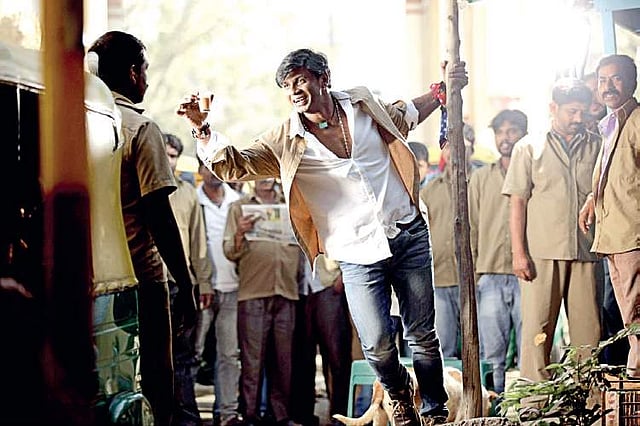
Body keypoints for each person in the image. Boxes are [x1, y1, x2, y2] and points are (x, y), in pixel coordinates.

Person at [177, 48, 468, 426]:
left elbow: (405, 115)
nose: (294, 91)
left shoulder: (363, 105)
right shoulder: (286, 140)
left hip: (407, 232)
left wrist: (442, 90)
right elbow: (236, 165)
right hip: (356, 252)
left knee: (422, 335)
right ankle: (398, 392)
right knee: (377, 344)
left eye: (300, 80)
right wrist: (202, 130)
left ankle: (434, 411)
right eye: (287, 86)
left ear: (323, 78)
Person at [88, 31, 197, 425]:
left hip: (91, 276)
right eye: (145, 70)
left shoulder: (72, 124)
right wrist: (185, 282)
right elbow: (158, 214)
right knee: (156, 380)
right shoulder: (140, 127)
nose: (147, 81)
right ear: (134, 73)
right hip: (141, 278)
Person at [502, 78, 601, 384]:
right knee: (538, 331)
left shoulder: (597, 145)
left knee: (589, 334)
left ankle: (586, 398)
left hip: (586, 252)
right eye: (572, 111)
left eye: (583, 112)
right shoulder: (528, 148)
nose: (578, 118)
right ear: (553, 108)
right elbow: (517, 203)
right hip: (541, 255)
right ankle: (534, 399)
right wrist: (519, 254)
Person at [578, 54, 640, 377]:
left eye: (616, 79)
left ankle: (635, 375)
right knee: (628, 315)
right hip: (614, 235)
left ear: (632, 82)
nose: (608, 86)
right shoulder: (612, 123)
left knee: (636, 313)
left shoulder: (637, 121)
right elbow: (620, 174)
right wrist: (593, 198)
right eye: (603, 80)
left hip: (632, 235)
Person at [223, 178, 302, 426]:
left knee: (283, 360)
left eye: (269, 173)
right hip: (253, 292)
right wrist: (240, 233)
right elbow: (229, 251)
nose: (265, 178)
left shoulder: (289, 205)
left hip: (286, 292)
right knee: (252, 361)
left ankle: (280, 415)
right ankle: (250, 415)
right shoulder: (239, 208)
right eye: (260, 174)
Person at [468, 109, 527, 393]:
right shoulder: (481, 178)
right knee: (492, 353)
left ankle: (529, 405)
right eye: (500, 132)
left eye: (512, 131)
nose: (506, 137)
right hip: (489, 275)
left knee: (530, 348)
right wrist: (475, 274)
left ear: (524, 134)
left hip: (528, 274)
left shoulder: (533, 172)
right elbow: (472, 227)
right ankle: (495, 404)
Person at [165, 133, 214, 426]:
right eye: (164, 154)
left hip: (181, 284)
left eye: (173, 156)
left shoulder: (187, 193)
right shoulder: (138, 187)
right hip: (149, 283)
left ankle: (187, 418)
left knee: (183, 356)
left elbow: (198, 242)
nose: (168, 160)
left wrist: (203, 283)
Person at [195, 157, 243, 426]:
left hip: (233, 288)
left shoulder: (238, 202)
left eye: (218, 166)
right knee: (193, 353)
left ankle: (227, 413)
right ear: (200, 170)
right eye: (208, 166)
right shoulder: (193, 200)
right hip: (202, 290)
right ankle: (186, 412)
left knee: (229, 355)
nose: (214, 172)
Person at [419, 140, 474, 360]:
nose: (454, 151)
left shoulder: (478, 184)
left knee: (477, 347)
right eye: (449, 146)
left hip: (473, 279)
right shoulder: (429, 191)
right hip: (439, 279)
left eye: (461, 144)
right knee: (445, 349)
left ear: (471, 150)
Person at [291, 254, 352, 426]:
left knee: (337, 356)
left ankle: (339, 415)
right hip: (299, 290)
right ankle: (304, 414)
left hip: (328, 286)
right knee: (302, 357)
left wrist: (343, 276)